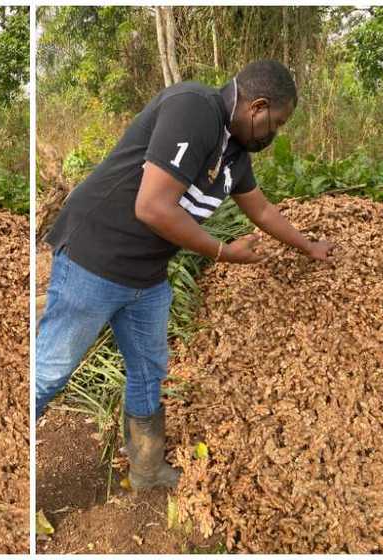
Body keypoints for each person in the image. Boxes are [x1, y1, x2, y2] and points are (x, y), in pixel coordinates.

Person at [36, 60, 334, 490]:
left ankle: (146, 469)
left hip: (147, 276)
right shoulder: (194, 108)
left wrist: (308, 246)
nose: (276, 133)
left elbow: (263, 210)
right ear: (259, 107)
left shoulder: (234, 155)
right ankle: (4, 467)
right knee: (50, 372)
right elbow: (153, 207)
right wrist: (221, 251)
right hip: (94, 261)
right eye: (278, 122)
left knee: (148, 370)